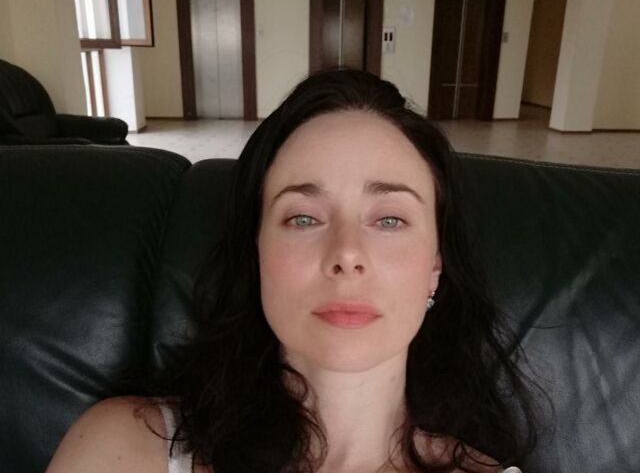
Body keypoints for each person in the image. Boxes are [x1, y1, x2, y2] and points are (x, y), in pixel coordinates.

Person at [47, 69, 537, 473]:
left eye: (390, 219)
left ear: (435, 266)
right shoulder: (125, 448)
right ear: (256, 251)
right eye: (303, 218)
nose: (347, 253)